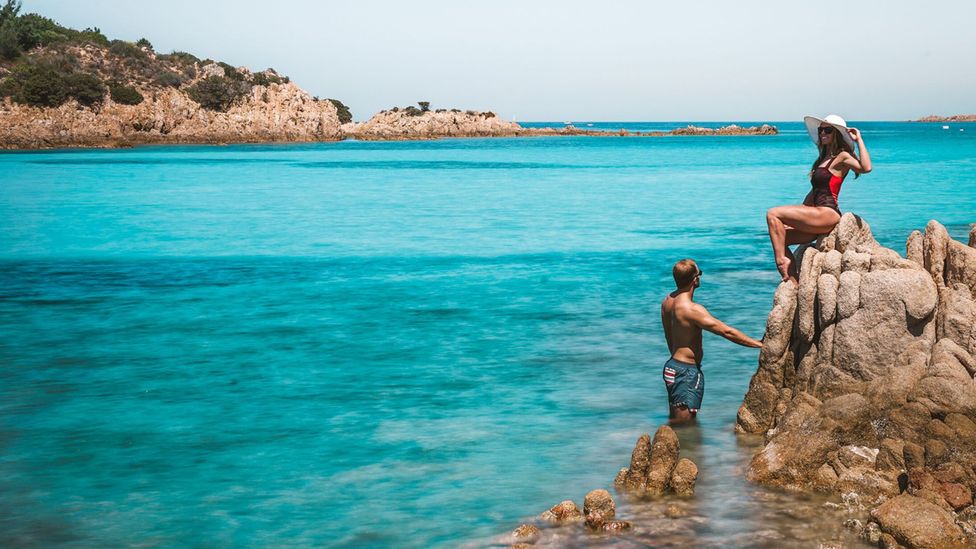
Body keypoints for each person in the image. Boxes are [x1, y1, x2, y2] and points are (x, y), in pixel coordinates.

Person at [766, 114, 872, 282]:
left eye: (827, 130)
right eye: (820, 129)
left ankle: (781, 261)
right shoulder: (822, 159)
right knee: (780, 236)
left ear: (836, 134)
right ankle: (794, 285)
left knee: (773, 213)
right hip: (815, 214)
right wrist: (796, 216)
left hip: (828, 213)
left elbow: (866, 168)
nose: (822, 133)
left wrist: (858, 139)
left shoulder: (842, 156)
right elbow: (814, 192)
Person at [661, 259, 763, 422]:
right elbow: (726, 331)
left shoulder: (667, 302)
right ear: (695, 280)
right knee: (685, 425)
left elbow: (668, 336)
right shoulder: (692, 310)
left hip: (671, 367)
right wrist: (759, 344)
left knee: (676, 422)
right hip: (686, 372)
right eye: (699, 274)